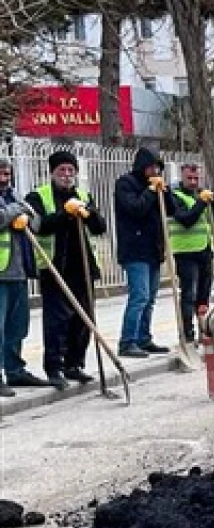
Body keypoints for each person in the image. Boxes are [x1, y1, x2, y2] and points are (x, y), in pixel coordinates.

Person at [25, 151, 108, 388]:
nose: (67, 174)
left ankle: (74, 364)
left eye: (71, 170)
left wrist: (88, 213)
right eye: (62, 170)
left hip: (83, 267)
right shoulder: (38, 196)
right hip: (54, 268)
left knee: (84, 320)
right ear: (52, 172)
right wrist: (64, 213)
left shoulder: (83, 195)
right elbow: (39, 226)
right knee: (57, 321)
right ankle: (54, 368)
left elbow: (100, 227)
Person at [114, 148, 176, 358]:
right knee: (139, 296)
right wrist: (150, 191)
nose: (155, 171)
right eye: (151, 167)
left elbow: (172, 210)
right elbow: (135, 209)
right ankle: (127, 341)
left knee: (149, 298)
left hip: (153, 249)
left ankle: (144, 338)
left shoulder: (157, 186)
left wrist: (165, 192)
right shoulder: (126, 184)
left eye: (158, 168)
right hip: (135, 250)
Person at [169, 163, 214, 345]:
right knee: (189, 294)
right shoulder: (174, 196)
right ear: (182, 177)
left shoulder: (201, 194)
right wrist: (201, 202)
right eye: (190, 179)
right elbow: (186, 219)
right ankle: (187, 334)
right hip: (185, 252)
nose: (193, 182)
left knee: (203, 294)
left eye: (196, 178)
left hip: (204, 250)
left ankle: (204, 330)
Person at [0, 158, 41, 395]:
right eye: (1, 174)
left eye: (7, 174)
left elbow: (36, 222)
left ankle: (15, 371)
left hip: (19, 272)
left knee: (18, 327)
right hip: (1, 274)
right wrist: (19, 209)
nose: (5, 179)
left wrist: (27, 215)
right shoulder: (15, 202)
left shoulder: (14, 196)